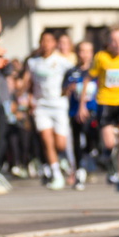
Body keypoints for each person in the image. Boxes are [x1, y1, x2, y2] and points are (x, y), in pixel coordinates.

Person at [79, 25, 119, 192]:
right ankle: (107, 160)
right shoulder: (101, 57)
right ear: (109, 42)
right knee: (110, 143)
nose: (117, 43)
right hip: (105, 102)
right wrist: (82, 105)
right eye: (114, 40)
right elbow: (87, 79)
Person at [23, 30, 75, 190]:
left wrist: (68, 89)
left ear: (54, 43)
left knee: (60, 144)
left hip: (59, 105)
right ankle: (56, 174)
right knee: (47, 141)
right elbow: (28, 83)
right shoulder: (33, 62)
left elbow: (74, 77)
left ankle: (61, 160)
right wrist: (28, 97)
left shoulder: (62, 61)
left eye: (49, 41)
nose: (46, 44)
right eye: (43, 41)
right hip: (41, 106)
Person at [63, 40, 97, 190]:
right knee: (76, 141)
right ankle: (79, 170)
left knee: (91, 136)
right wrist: (68, 89)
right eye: (82, 51)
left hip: (93, 111)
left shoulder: (96, 71)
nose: (85, 55)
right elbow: (62, 91)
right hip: (75, 111)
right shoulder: (71, 72)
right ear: (77, 53)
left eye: (88, 51)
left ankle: (91, 155)